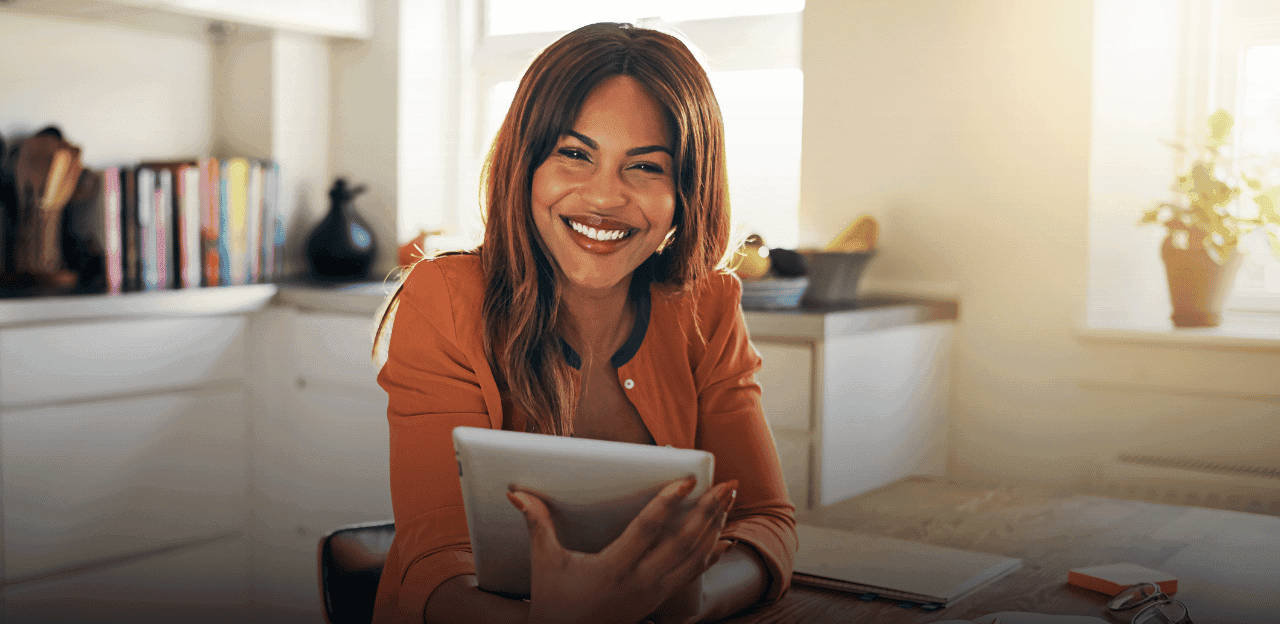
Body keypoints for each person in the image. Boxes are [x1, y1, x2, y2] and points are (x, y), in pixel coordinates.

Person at [372, 22, 796, 624]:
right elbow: (431, 565)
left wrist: (680, 605)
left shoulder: (708, 304)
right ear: (526, 166)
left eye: (646, 168)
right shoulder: (445, 297)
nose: (603, 197)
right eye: (574, 154)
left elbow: (767, 522)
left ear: (688, 189)